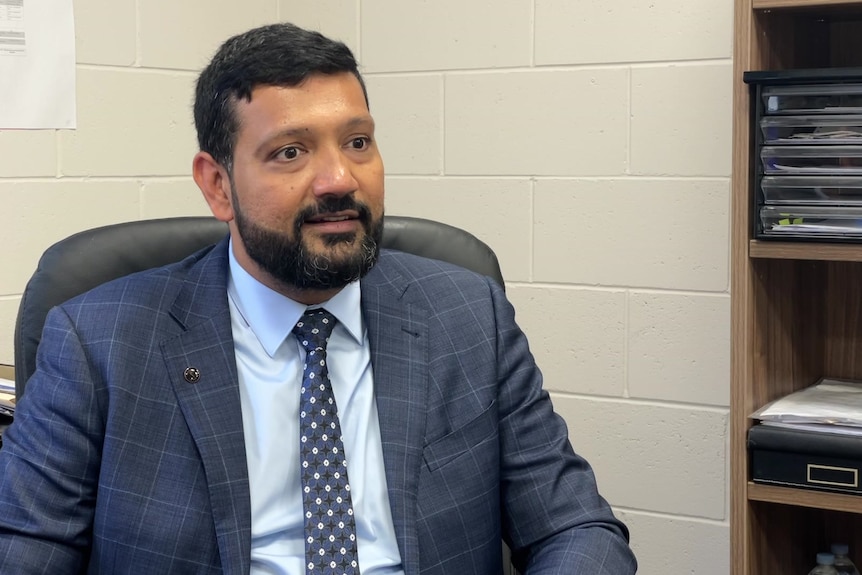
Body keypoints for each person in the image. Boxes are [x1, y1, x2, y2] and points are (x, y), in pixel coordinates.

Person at [0, 23, 637, 574]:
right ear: (218, 185)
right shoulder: (98, 340)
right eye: (291, 152)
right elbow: (24, 550)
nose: (339, 179)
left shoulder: (467, 315)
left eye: (358, 142)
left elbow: (576, 529)